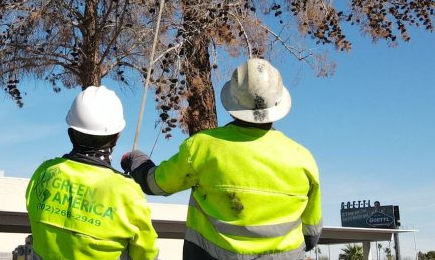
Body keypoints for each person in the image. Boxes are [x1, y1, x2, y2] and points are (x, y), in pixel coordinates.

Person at [122, 59, 322, 260]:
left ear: (233, 100)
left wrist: (136, 160)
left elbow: (154, 184)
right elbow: (312, 235)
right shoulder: (303, 159)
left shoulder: (202, 148)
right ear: (278, 102)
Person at [26, 85, 159, 260]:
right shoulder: (127, 192)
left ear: (71, 133)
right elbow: (146, 255)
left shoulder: (43, 173)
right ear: (116, 137)